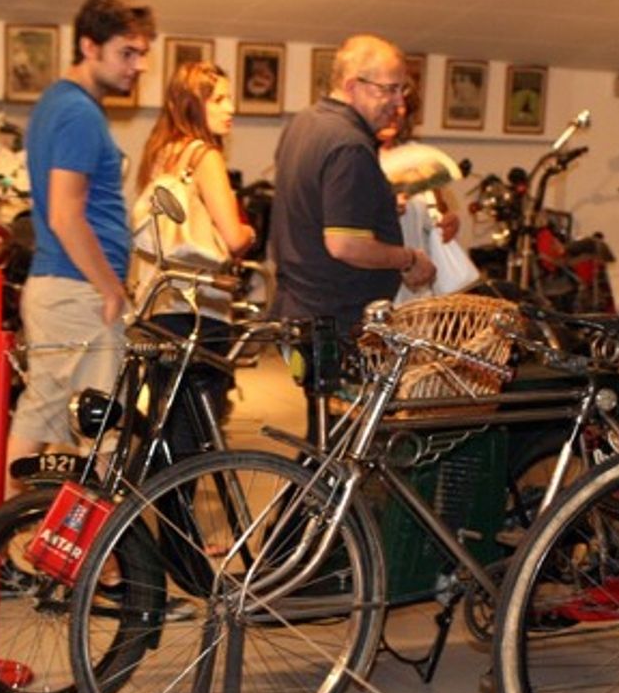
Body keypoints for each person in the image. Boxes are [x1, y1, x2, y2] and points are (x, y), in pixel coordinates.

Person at [5, 0, 156, 494]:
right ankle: (96, 557)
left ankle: (18, 547)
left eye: (142, 54)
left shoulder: (56, 103)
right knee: (105, 429)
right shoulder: (78, 114)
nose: (138, 66)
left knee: (45, 413)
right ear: (90, 46)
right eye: (127, 53)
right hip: (77, 290)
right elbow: (67, 215)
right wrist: (111, 288)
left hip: (60, 286)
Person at [270, 34, 435, 439]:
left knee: (323, 444)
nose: (399, 102)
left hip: (300, 311)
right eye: (389, 89)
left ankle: (304, 504)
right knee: (346, 452)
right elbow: (344, 245)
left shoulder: (305, 123)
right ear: (351, 86)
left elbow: (318, 209)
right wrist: (408, 259)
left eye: (403, 89)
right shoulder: (350, 145)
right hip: (338, 324)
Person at [128, 60, 255, 454]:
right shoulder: (204, 157)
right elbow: (233, 239)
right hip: (202, 311)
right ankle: (177, 517)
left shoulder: (160, 154)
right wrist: (250, 231)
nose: (229, 108)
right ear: (191, 104)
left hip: (159, 306)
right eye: (218, 99)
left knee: (162, 429)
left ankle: (155, 510)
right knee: (194, 437)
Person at [377, 86, 461, 301]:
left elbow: (439, 213)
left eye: (401, 110)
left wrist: (449, 222)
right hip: (377, 286)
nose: (395, 115)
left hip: (418, 291)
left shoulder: (419, 159)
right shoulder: (356, 156)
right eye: (389, 108)